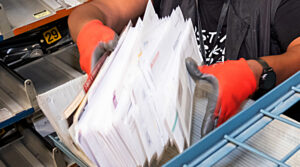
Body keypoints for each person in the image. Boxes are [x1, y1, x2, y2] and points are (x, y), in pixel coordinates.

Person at [68, 0, 300, 134]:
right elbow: (97, 10)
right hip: (181, 125)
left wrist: (257, 72)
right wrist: (89, 30)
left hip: (261, 131)